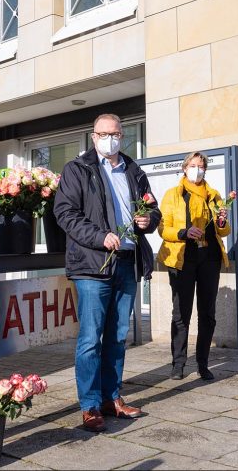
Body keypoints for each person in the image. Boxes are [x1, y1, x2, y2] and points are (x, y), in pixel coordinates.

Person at [53, 114, 160, 433]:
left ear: (122, 135)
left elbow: (153, 209)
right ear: (93, 135)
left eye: (115, 134)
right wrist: (99, 236)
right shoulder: (77, 168)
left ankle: (111, 398)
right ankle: (89, 405)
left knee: (117, 336)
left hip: (127, 261)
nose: (110, 139)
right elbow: (64, 213)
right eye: (103, 134)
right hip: (92, 264)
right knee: (90, 338)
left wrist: (148, 221)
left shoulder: (133, 169)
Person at [157, 152, 231, 381]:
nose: (197, 169)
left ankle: (203, 363)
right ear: (184, 168)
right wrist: (183, 232)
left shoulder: (214, 195)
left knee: (207, 313)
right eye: (192, 165)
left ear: (205, 170)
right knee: (181, 313)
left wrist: (221, 221)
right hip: (182, 259)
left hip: (209, 258)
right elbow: (162, 228)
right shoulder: (173, 195)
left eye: (201, 166)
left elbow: (224, 230)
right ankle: (178, 364)